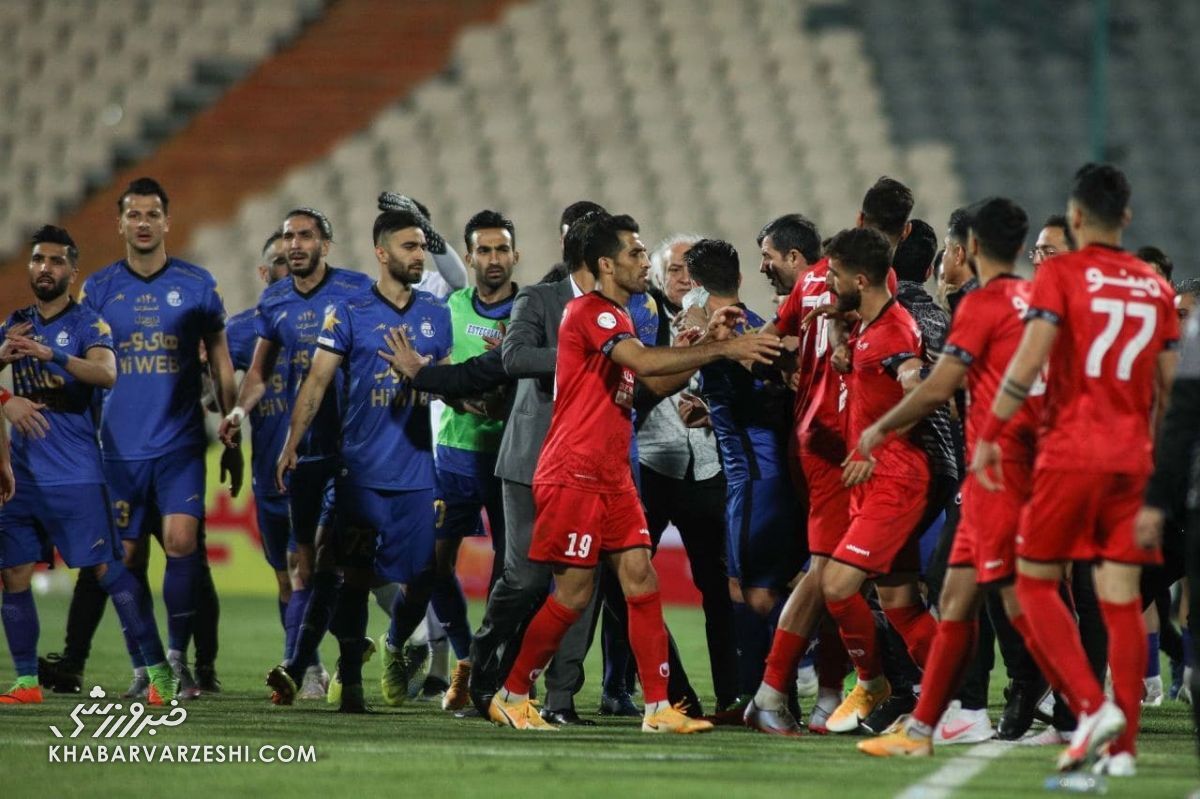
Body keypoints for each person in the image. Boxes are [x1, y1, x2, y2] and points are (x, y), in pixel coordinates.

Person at [486, 212, 782, 733]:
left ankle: (659, 708)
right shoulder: (591, 312)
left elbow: (651, 387)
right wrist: (726, 348)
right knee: (574, 595)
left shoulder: (623, 318)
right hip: (575, 471)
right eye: (636, 254)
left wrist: (699, 348)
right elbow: (642, 364)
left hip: (613, 474)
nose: (646, 262)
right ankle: (512, 692)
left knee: (642, 581)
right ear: (606, 264)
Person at [972, 164, 1179, 775]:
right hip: (1133, 461)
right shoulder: (1153, 285)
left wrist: (990, 430)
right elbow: (1170, 392)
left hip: (1071, 454)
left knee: (1031, 581)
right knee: (1118, 601)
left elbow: (1031, 357)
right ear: (1128, 218)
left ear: (1079, 217)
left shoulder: (1060, 273)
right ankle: (1122, 752)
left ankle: (1090, 707)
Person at [854, 197, 1040, 756]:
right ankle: (936, 724)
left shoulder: (983, 304)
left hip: (993, 469)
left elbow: (938, 387)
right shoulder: (1037, 301)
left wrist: (876, 430)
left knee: (1015, 598)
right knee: (958, 594)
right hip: (1018, 464)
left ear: (970, 248)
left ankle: (1084, 705)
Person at [44, 178, 239, 699]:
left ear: (167, 222)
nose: (144, 222)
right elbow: (85, 362)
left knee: (181, 544)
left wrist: (228, 408)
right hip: (118, 449)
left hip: (179, 444)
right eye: (134, 215)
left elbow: (219, 355)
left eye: (153, 213)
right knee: (125, 560)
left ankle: (178, 660)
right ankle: (146, 665)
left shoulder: (198, 285)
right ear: (121, 223)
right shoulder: (101, 289)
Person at [267, 208, 452, 712]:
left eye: (422, 247)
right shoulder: (349, 312)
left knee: (423, 576)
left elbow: (449, 382)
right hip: (362, 471)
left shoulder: (436, 313)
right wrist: (291, 445)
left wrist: (448, 386)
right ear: (382, 252)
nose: (420, 256)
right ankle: (349, 678)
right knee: (350, 571)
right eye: (410, 247)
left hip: (416, 470)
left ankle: (393, 644)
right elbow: (317, 382)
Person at [0, 226, 175, 705]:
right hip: (21, 474)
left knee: (108, 572)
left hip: (75, 472)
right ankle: (27, 682)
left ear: (72, 271)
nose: (45, 268)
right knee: (13, 574)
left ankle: (160, 674)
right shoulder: (15, 323)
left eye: (56, 262)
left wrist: (50, 354)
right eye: (38, 260)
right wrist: (5, 394)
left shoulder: (87, 324)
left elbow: (107, 373)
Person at [219, 208, 373, 702]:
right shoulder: (275, 302)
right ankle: (315, 667)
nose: (295, 244)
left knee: (330, 567)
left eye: (305, 236)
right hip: (288, 455)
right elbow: (257, 375)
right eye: (289, 237)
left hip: (347, 451)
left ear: (325, 245)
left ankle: (314, 666)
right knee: (297, 571)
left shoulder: (356, 290)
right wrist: (238, 415)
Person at [809, 227, 940, 734]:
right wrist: (841, 337)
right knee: (900, 603)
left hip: (895, 480)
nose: (829, 283)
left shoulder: (894, 333)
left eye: (835, 275)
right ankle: (954, 693)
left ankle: (872, 682)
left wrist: (875, 441)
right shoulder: (869, 322)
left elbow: (916, 382)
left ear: (859, 279)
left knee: (838, 585)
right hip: (875, 480)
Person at [687, 239, 804, 710]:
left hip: (753, 479)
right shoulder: (758, 326)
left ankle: (767, 697)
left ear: (695, 287)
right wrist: (715, 412)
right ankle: (772, 696)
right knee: (773, 586)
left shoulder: (723, 334)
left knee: (751, 592)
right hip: (774, 473)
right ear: (738, 277)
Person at [637, 234, 738, 712]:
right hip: (651, 466)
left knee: (721, 590)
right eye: (675, 269)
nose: (684, 278)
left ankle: (733, 696)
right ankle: (674, 694)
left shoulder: (725, 322)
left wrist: (716, 413)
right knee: (629, 583)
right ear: (656, 274)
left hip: (709, 469)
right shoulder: (640, 320)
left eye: (691, 270)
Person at [430, 209, 519, 711]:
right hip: (456, 455)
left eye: (501, 249)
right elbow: (437, 370)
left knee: (511, 574)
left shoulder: (529, 309)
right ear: (468, 257)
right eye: (483, 250)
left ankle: (492, 671)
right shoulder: (450, 308)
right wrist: (464, 398)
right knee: (433, 564)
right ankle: (466, 660)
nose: (493, 259)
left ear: (515, 255)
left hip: (510, 459)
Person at [223, 231, 298, 678]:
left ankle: (304, 664)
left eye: (293, 261)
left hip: (319, 467)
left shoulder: (324, 321)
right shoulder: (240, 330)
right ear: (263, 272)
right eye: (279, 262)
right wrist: (221, 401)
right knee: (286, 576)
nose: (286, 269)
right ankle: (304, 664)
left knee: (311, 569)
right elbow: (220, 395)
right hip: (269, 471)